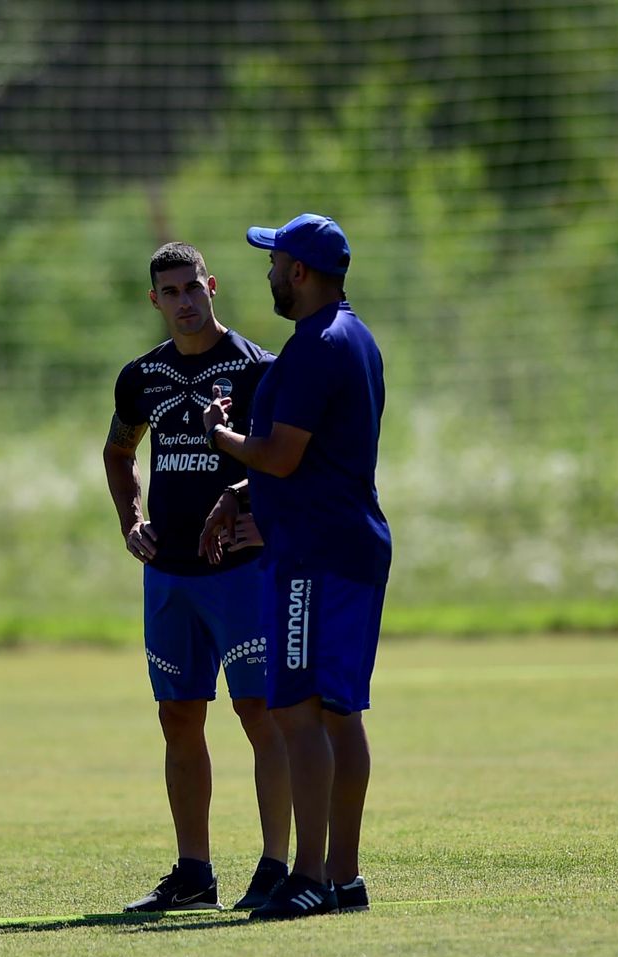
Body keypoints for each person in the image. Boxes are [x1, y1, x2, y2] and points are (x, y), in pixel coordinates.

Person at [199, 213, 391, 921]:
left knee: (298, 709)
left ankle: (307, 875)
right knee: (339, 712)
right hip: (347, 543)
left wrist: (223, 436)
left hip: (315, 553)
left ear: (301, 273)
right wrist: (241, 490)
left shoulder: (315, 345)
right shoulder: (354, 336)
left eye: (276, 261)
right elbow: (314, 455)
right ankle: (343, 878)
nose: (270, 272)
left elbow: (280, 452)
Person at [104, 241, 291, 913]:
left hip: (240, 572)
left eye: (193, 287)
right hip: (169, 576)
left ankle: (275, 866)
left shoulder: (256, 368)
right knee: (178, 714)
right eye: (170, 292)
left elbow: (288, 458)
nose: (185, 301)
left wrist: (260, 514)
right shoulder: (142, 376)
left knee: (258, 711)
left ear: (212, 285)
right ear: (154, 301)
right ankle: (193, 872)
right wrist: (131, 521)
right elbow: (119, 450)